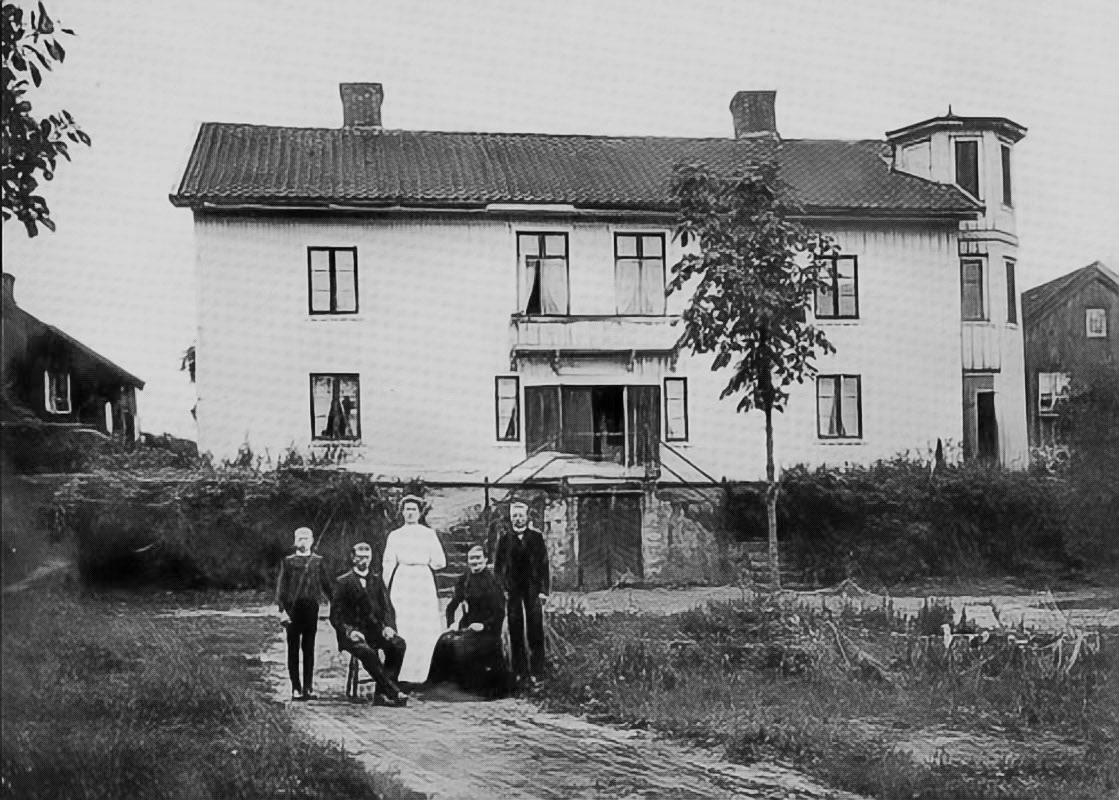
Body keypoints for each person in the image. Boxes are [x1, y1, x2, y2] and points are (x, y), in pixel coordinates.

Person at [329, 542, 409, 706]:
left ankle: (381, 694)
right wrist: (349, 632)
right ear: (353, 558)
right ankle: (394, 692)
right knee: (368, 653)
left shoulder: (377, 580)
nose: (364, 560)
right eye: (360, 557)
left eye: (367, 557)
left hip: (376, 631)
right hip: (354, 634)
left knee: (398, 645)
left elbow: (387, 607)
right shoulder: (343, 582)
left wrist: (388, 626)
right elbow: (335, 616)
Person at [381, 495, 447, 686]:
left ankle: (425, 673)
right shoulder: (395, 535)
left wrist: (424, 562)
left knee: (424, 626)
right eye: (407, 509)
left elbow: (440, 562)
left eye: (413, 509)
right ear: (402, 512)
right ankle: (402, 673)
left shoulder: (428, 534)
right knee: (404, 623)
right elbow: (388, 563)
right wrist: (385, 588)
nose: (410, 513)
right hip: (403, 581)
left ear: (419, 513)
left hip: (423, 582)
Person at [430, 545, 509, 696]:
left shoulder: (493, 581)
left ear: (485, 559)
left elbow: (500, 612)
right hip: (468, 624)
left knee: (463, 645)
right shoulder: (464, 579)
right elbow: (452, 606)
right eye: (471, 558)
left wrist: (484, 626)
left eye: (478, 558)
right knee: (444, 641)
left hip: (488, 629)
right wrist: (451, 625)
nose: (475, 562)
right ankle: (444, 685)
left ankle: (469, 688)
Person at [493, 498, 550, 683]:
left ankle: (538, 671)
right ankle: (519, 671)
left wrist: (544, 591)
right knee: (515, 627)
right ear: (511, 518)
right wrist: (502, 588)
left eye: (521, 515)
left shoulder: (536, 537)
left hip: (532, 588)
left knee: (535, 627)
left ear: (527, 517)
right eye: (514, 516)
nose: (518, 519)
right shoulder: (504, 539)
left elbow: (544, 565)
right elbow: (498, 567)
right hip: (513, 589)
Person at [275, 526, 333, 701]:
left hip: (311, 607)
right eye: (299, 538)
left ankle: (308, 687)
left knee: (308, 649)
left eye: (306, 538)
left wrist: (335, 602)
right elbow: (281, 587)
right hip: (292, 608)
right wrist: (282, 610)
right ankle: (295, 688)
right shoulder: (288, 561)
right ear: (294, 541)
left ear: (312, 540)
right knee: (293, 649)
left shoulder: (318, 561)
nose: (302, 541)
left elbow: (326, 585)